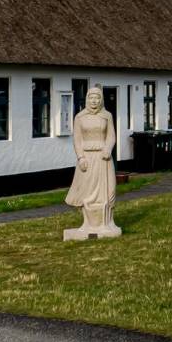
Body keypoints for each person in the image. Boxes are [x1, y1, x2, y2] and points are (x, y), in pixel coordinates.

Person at [65, 86, 121, 239]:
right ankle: (88, 223)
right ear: (87, 99)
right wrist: (81, 157)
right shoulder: (80, 117)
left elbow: (111, 136)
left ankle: (107, 222)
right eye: (91, 98)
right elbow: (77, 139)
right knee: (87, 191)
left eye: (97, 98)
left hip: (103, 158)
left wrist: (108, 148)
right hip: (87, 159)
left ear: (101, 99)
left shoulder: (107, 116)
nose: (94, 101)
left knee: (109, 191)